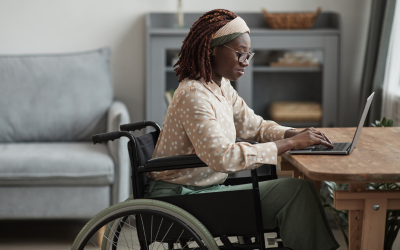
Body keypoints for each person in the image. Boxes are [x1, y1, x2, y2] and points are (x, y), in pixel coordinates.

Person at [144, 9, 340, 250]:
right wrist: (287, 145)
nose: (246, 62)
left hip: (205, 190)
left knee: (301, 189)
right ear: (212, 49)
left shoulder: (220, 86)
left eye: (249, 54)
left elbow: (254, 125)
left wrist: (293, 134)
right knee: (296, 193)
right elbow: (222, 157)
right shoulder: (193, 94)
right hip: (182, 198)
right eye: (240, 54)